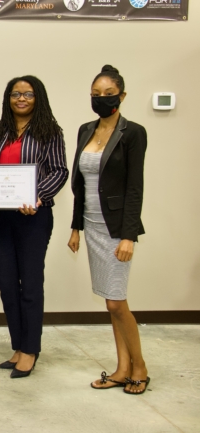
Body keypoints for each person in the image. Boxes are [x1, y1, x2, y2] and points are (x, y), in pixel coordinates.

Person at [0, 76, 68, 378]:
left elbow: (60, 170)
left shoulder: (50, 132)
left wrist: (37, 196)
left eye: (28, 93)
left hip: (33, 217)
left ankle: (31, 349)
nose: (21, 98)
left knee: (30, 284)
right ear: (8, 98)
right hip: (1, 217)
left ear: (38, 97)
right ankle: (17, 345)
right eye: (16, 93)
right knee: (7, 284)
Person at [68, 65, 149, 394]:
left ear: (122, 96)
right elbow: (80, 184)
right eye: (95, 95)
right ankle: (121, 368)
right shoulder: (86, 129)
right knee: (110, 302)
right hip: (92, 225)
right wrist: (75, 228)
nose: (101, 99)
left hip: (116, 228)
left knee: (117, 302)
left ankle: (140, 366)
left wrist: (129, 235)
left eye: (108, 94)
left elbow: (134, 188)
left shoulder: (133, 133)